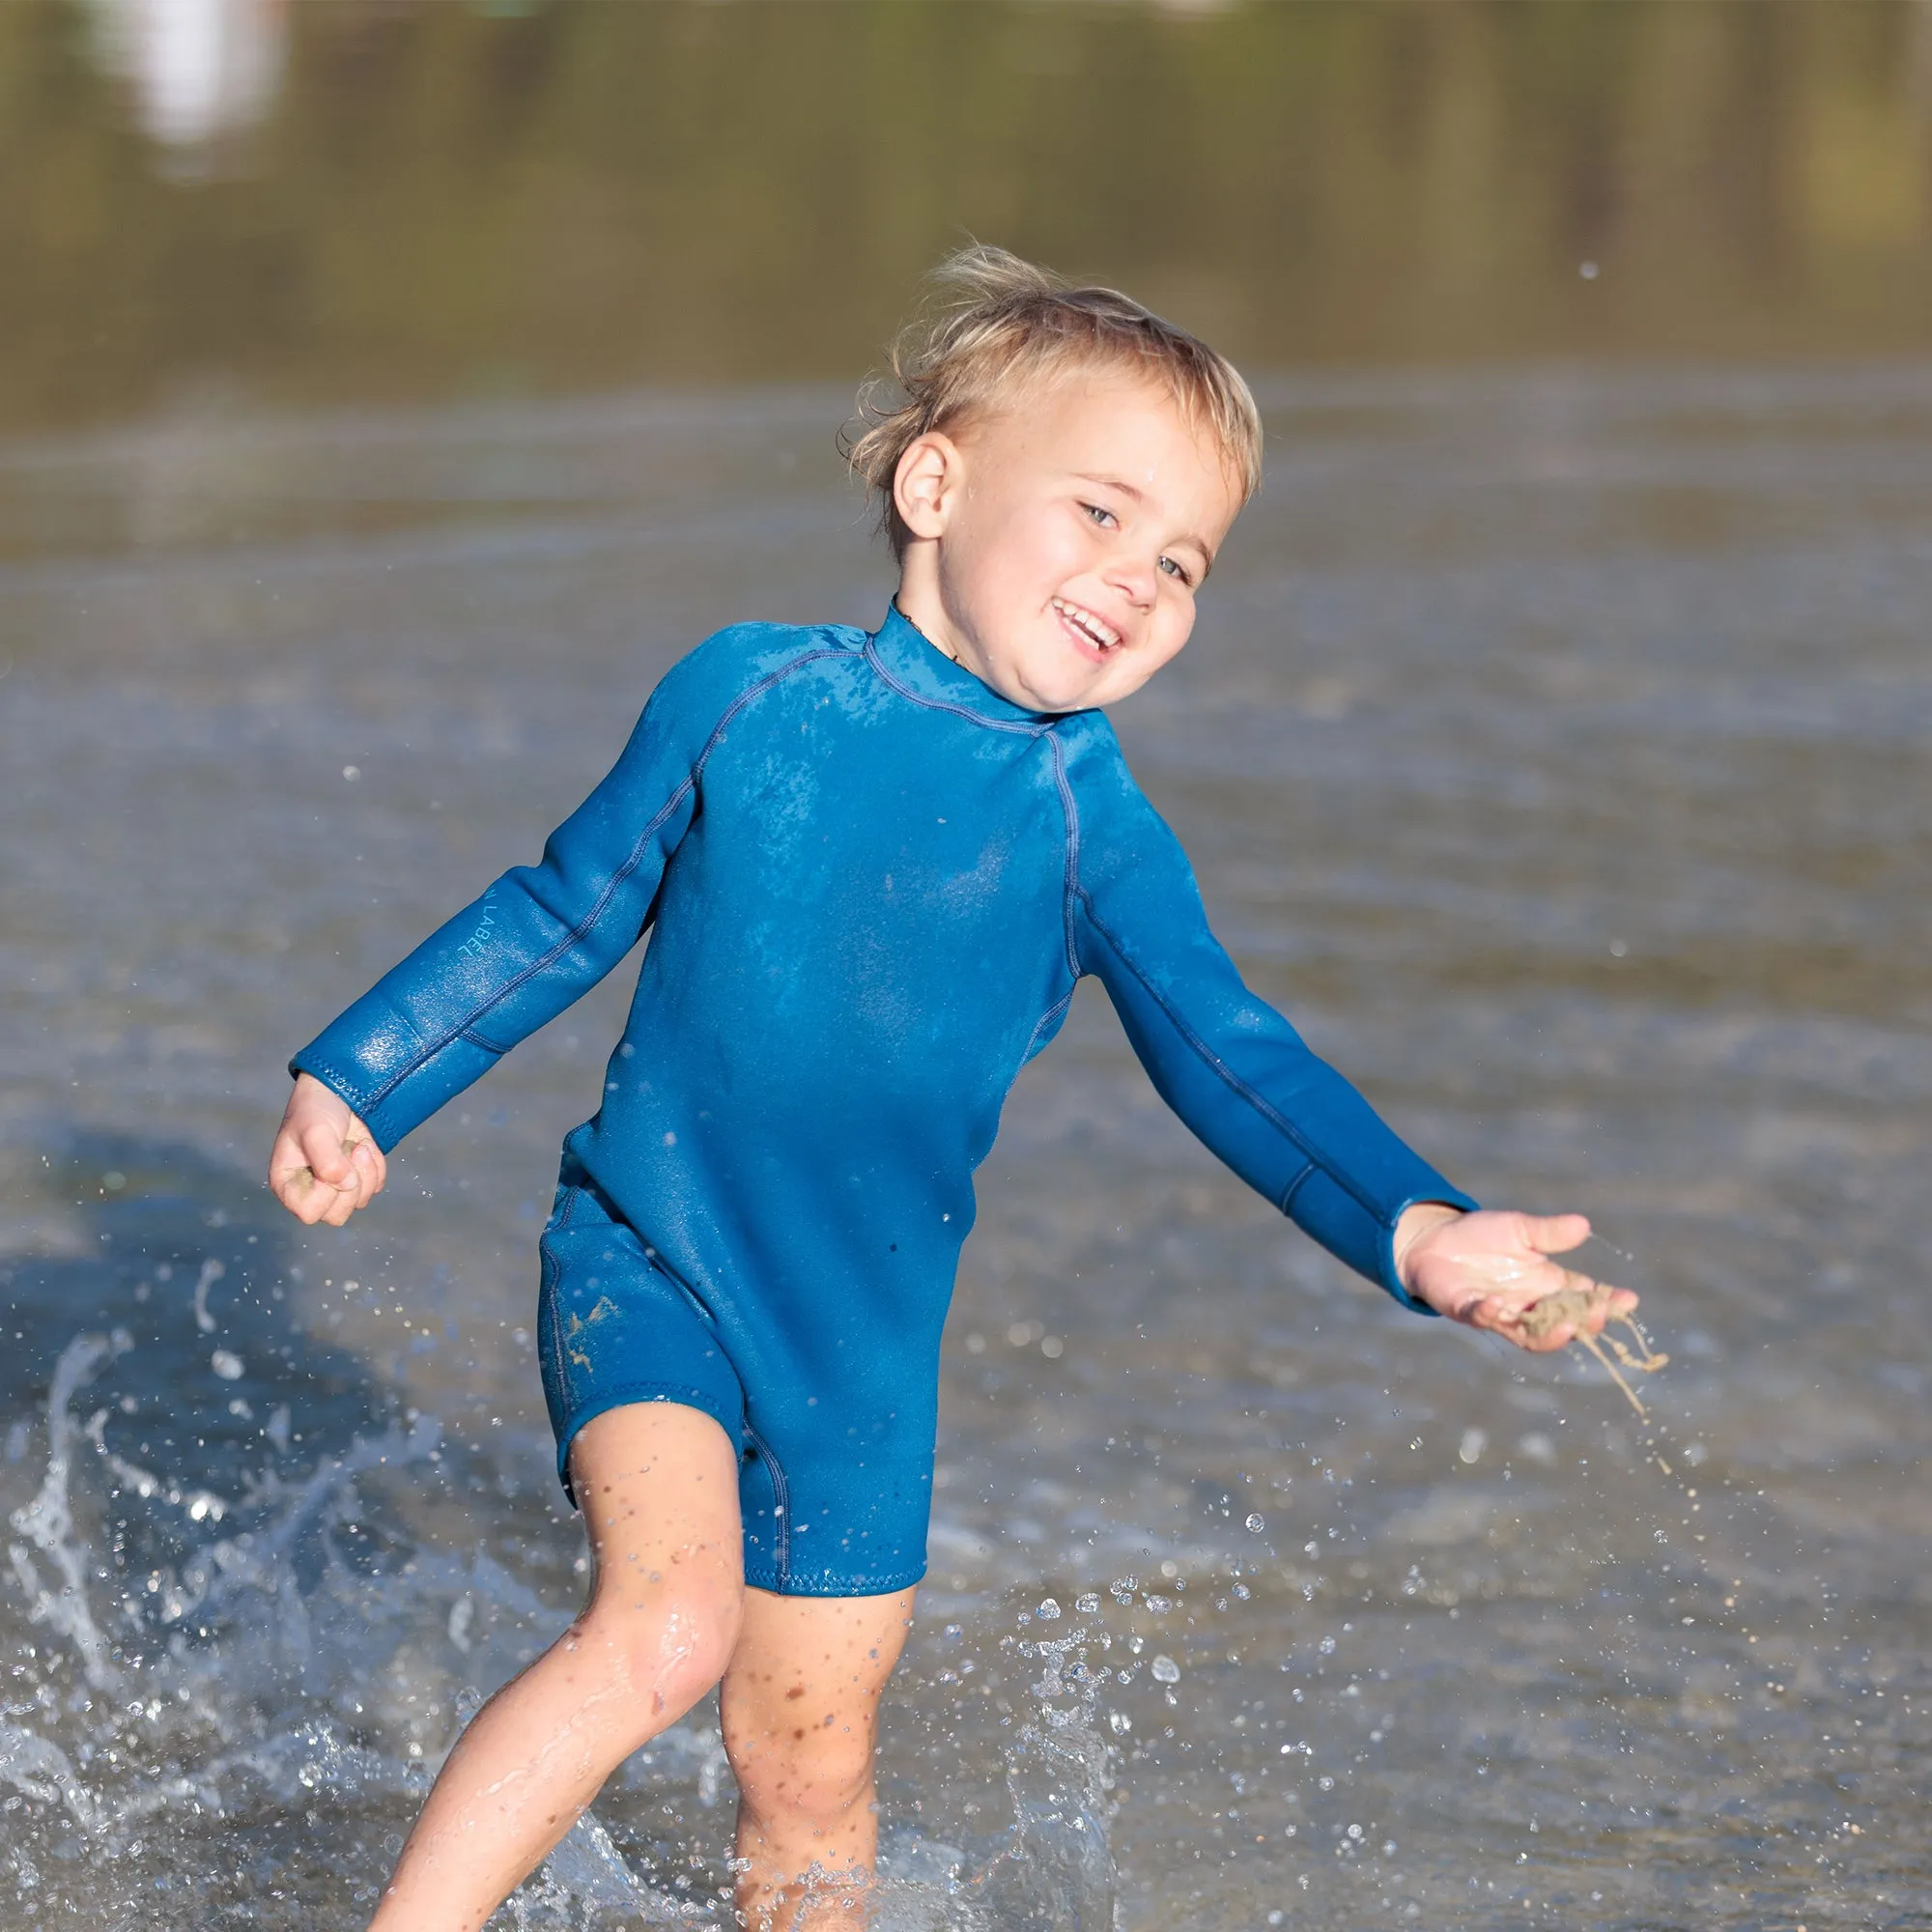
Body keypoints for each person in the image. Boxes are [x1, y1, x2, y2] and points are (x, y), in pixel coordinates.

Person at [268, 246, 1637, 1932]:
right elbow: (563, 909)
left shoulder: (1093, 830)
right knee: (668, 1633)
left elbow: (1232, 1055)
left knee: (812, 1767)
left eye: (1186, 559)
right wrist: (367, 1073)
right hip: (655, 1255)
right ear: (936, 482)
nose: (1140, 578)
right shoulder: (746, 693)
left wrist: (1414, 1230)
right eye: (1101, 514)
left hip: (862, 1355)